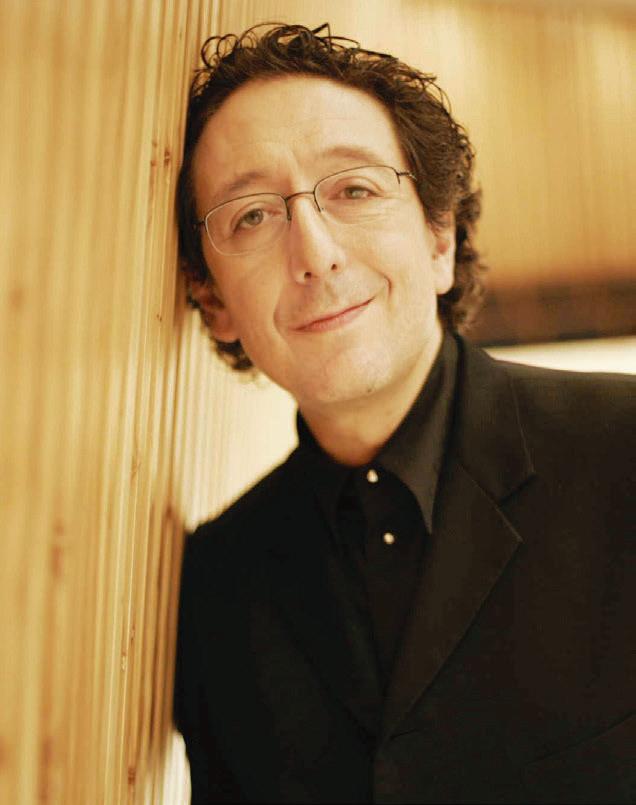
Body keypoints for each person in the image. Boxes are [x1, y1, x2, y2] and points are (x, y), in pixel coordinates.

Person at [173, 23, 635, 804]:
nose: (314, 252)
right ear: (213, 300)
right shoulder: (215, 588)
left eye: (353, 190)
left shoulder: (622, 453)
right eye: (251, 215)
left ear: (439, 237)